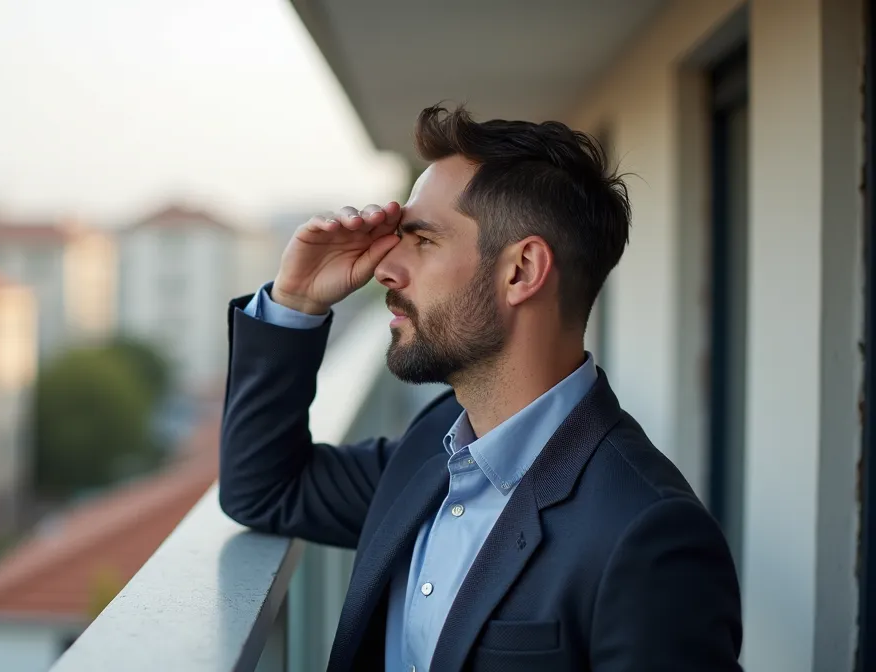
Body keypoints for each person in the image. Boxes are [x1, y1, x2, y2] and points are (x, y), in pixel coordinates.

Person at [218, 104, 742, 671]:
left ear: (521, 271)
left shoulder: (649, 536)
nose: (384, 268)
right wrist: (293, 303)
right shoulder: (432, 446)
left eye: (421, 240)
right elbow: (263, 489)